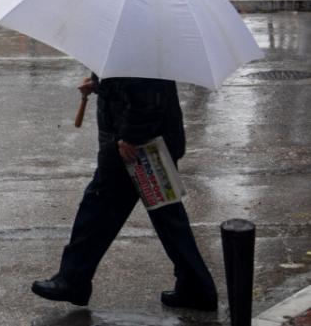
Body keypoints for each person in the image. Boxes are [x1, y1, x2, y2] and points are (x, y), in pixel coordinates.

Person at [30, 72, 218, 311]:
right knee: (167, 219)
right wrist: (99, 84)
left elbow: (149, 94)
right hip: (143, 146)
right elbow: (128, 85)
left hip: (136, 149)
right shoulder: (135, 46)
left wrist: (130, 136)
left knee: (97, 209)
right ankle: (196, 288)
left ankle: (73, 279)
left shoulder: (141, 49)